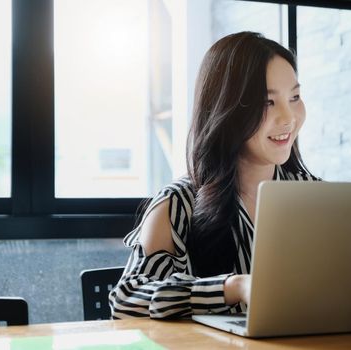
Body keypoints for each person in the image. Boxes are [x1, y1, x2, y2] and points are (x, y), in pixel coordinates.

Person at [109, 31, 320, 319]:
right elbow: (128, 299)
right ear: (226, 109)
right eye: (267, 102)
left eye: (295, 97)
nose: (289, 117)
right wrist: (232, 287)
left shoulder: (315, 196)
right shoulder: (179, 203)